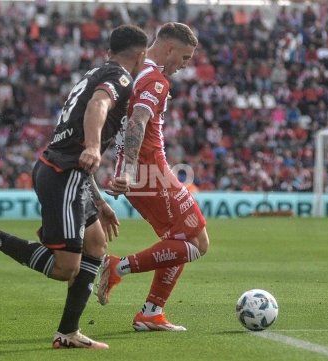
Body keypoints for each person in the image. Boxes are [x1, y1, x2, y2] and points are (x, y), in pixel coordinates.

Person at [0, 25, 148, 349]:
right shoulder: (120, 78)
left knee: (96, 244)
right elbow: (97, 108)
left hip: (70, 174)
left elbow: (79, 148)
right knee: (65, 268)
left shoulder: (94, 72)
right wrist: (95, 146)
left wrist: (100, 202)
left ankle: (68, 333)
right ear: (141, 54)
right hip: (63, 174)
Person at [97, 23, 209, 331]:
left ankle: (151, 312)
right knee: (197, 242)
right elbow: (138, 120)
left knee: (179, 240)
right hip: (149, 171)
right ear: (169, 49)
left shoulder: (133, 71)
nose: (184, 66)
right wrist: (131, 169)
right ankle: (116, 266)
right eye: (184, 58)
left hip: (142, 169)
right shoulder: (156, 80)